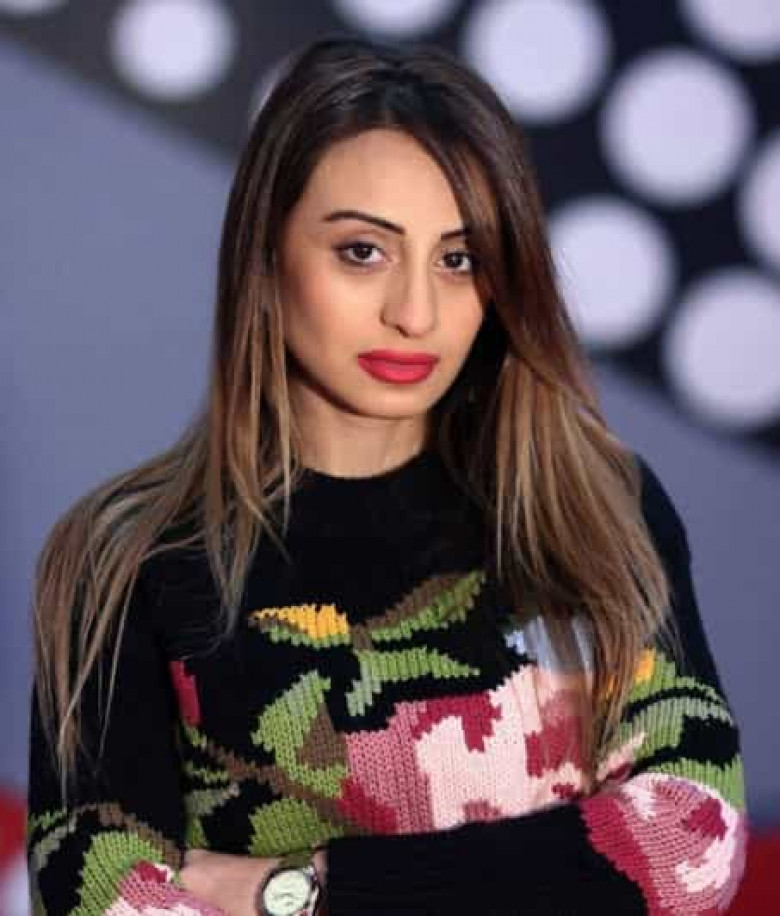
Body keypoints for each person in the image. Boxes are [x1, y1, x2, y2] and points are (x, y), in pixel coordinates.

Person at [26, 34, 747, 916]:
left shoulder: (596, 507)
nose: (415, 313)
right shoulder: (128, 554)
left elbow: (692, 841)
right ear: (266, 254)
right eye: (363, 251)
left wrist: (303, 890)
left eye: (459, 259)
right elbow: (103, 893)